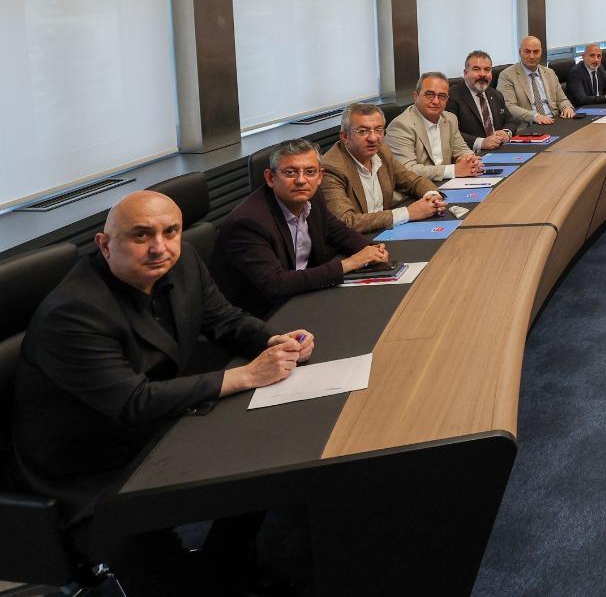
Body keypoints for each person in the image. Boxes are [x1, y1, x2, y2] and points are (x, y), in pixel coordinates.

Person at [12, 191, 313, 590]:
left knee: (272, 454)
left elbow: (225, 320)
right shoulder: (74, 312)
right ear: (105, 244)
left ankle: (232, 565)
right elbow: (133, 402)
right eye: (141, 235)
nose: (160, 247)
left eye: (171, 231)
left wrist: (273, 340)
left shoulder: (182, 262)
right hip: (92, 467)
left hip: (155, 427)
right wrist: (247, 376)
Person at [214, 140, 389, 316]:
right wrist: (350, 263)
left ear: (320, 176)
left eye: (310, 172)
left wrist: (371, 249)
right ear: (270, 178)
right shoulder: (248, 223)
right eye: (290, 172)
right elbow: (276, 284)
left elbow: (337, 232)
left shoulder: (311, 197)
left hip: (305, 294)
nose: (301, 180)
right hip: (265, 314)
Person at [319, 102, 445, 235]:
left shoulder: (381, 151)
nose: (373, 138)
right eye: (363, 131)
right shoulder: (331, 168)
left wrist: (432, 196)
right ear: (345, 136)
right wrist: (408, 213)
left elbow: (412, 181)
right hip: (357, 240)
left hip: (385, 232)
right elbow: (346, 222)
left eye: (378, 129)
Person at [385, 72, 484, 183]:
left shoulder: (450, 119)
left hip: (446, 183)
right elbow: (407, 170)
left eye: (442, 96)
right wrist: (454, 170)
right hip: (416, 189)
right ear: (415, 96)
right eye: (429, 94)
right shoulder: (401, 126)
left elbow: (461, 149)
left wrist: (470, 160)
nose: (436, 101)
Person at [499, 35, 576, 126]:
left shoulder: (549, 73)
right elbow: (509, 107)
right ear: (520, 52)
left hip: (554, 120)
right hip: (530, 125)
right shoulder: (507, 75)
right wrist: (535, 116)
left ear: (541, 52)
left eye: (536, 52)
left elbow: (562, 99)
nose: (532, 56)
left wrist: (566, 107)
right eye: (527, 51)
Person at [448, 50, 513, 152]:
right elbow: (450, 133)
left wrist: (506, 132)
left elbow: (510, 121)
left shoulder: (496, 94)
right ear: (465, 73)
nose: (482, 74)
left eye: (487, 70)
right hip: (471, 154)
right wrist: (480, 142)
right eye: (476, 69)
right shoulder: (452, 96)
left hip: (500, 150)